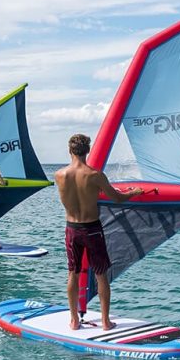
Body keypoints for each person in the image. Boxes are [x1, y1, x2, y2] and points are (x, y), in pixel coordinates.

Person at [55, 134, 143, 330]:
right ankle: (105, 321)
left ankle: (74, 320)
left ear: (70, 151)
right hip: (92, 229)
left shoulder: (59, 175)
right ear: (88, 151)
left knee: (73, 273)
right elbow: (117, 198)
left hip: (71, 229)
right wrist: (134, 192)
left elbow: (77, 192)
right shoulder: (95, 176)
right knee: (101, 274)